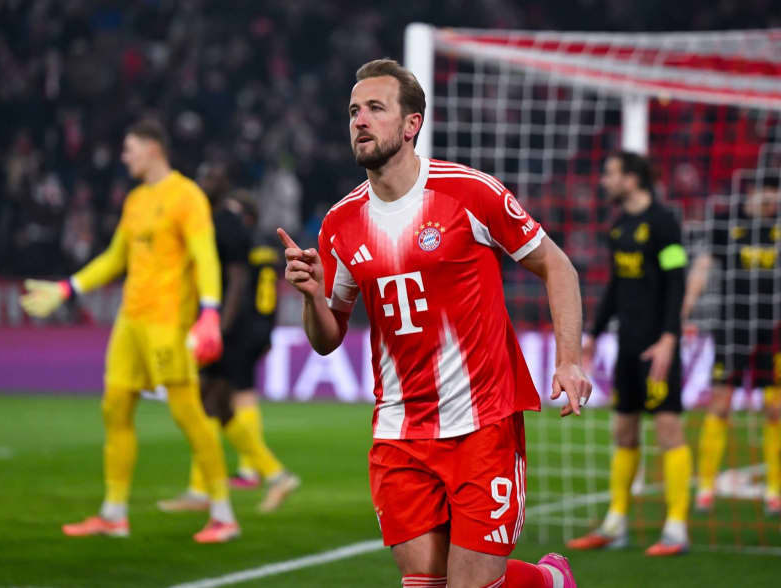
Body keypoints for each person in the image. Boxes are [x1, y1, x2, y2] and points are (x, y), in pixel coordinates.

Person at [278, 58, 591, 588]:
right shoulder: (339, 223)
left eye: (376, 108)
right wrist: (312, 297)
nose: (360, 120)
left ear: (410, 124)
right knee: (428, 585)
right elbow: (327, 339)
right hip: (399, 429)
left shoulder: (469, 193)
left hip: (482, 422)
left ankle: (547, 582)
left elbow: (555, 265)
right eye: (354, 111)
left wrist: (568, 360)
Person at [19, 119, 240, 543]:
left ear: (153, 148)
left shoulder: (186, 196)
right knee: (114, 409)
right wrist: (68, 288)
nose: (124, 157)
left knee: (187, 413)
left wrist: (209, 312)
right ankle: (114, 513)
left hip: (167, 321)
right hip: (130, 322)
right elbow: (114, 257)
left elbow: (205, 256)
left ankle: (223, 514)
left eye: (129, 148)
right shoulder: (136, 199)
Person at [567, 151, 692, 556]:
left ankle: (676, 528)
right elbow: (618, 287)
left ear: (633, 179)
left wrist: (670, 339)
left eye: (612, 174)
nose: (605, 181)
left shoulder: (664, 222)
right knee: (624, 431)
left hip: (658, 347)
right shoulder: (619, 227)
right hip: (627, 346)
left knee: (669, 429)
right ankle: (616, 522)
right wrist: (595, 333)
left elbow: (677, 281)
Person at [158, 164, 299, 514]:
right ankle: (263, 476)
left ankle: (223, 485)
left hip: (226, 330)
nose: (200, 184)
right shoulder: (233, 229)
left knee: (209, 404)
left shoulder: (224, 224)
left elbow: (235, 279)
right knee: (216, 407)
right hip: (239, 328)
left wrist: (217, 327)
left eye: (208, 179)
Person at [682, 175, 781, 514]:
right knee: (721, 405)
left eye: (776, 195)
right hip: (732, 328)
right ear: (752, 194)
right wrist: (684, 308)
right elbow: (703, 267)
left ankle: (775, 490)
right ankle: (706, 486)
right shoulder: (728, 224)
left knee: (775, 409)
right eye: (767, 194)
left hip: (773, 331)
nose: (772, 201)